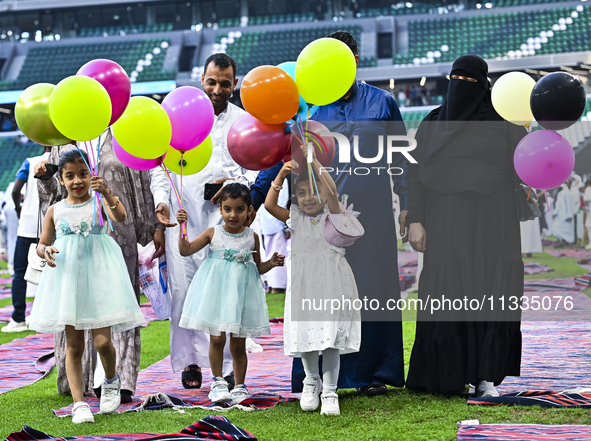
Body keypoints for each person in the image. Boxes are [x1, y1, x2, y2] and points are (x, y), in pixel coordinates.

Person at [292, 30, 409, 397]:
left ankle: (374, 372)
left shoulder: (383, 103)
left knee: (373, 287)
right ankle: (319, 377)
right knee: (323, 290)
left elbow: (401, 158)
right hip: (320, 216)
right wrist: (257, 196)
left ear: (355, 60)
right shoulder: (308, 107)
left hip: (373, 211)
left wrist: (408, 204)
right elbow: (288, 160)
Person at [405, 55, 525, 397]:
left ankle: (485, 375)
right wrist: (415, 219)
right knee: (447, 292)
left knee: (490, 290)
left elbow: (524, 166)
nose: (461, 86)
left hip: (494, 221)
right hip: (446, 221)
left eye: (469, 80)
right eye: (456, 78)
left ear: (485, 85)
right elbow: (417, 175)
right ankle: (444, 374)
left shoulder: (505, 122)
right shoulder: (431, 123)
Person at [151, 53, 258, 389]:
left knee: (225, 294)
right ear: (202, 79)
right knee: (183, 293)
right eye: (211, 82)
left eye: (225, 83)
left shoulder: (244, 121)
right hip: (184, 219)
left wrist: (235, 186)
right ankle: (189, 363)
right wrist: (161, 203)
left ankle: (225, 366)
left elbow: (253, 169)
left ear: (235, 84)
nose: (217, 89)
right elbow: (160, 167)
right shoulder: (177, 115)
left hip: (227, 223)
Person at [35, 130, 161, 402]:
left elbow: (120, 215)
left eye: (82, 174)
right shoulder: (55, 210)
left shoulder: (98, 204)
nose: (77, 181)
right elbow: (42, 243)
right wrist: (46, 251)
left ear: (90, 173)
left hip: (101, 274)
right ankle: (79, 402)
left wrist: (106, 191)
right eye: (70, 176)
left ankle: (112, 379)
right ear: (61, 179)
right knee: (74, 345)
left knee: (104, 341)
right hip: (71, 278)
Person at [266, 159, 360, 415]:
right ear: (295, 196)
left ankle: (330, 391)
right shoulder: (295, 218)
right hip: (304, 288)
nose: (309, 198)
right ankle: (311, 380)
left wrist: (314, 162)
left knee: (330, 340)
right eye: (302, 193)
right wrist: (282, 174)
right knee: (306, 336)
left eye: (314, 192)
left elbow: (331, 191)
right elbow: (269, 205)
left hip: (331, 286)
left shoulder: (334, 216)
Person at [176, 183, 283, 404]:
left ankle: (241, 385)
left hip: (241, 295)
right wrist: (182, 226)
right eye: (227, 209)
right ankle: (217, 382)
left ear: (249, 210)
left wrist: (271, 264)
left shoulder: (252, 236)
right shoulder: (212, 233)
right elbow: (185, 250)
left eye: (239, 209)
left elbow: (257, 267)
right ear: (220, 209)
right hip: (217, 293)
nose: (233, 215)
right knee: (216, 338)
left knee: (238, 343)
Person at [2, 147, 50, 333]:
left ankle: (18, 318)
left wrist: (17, 208)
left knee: (20, 272)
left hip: (28, 224)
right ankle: (44, 315)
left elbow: (16, 190)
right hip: (50, 225)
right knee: (51, 272)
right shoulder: (63, 159)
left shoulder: (30, 161)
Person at [258, 175, 289, 293]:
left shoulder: (264, 179)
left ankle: (273, 284)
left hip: (268, 223)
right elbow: (283, 202)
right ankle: (277, 285)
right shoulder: (282, 181)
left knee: (271, 252)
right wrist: (285, 227)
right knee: (278, 253)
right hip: (276, 222)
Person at [553, 177, 575, 247]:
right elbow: (558, 205)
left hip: (566, 215)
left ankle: (567, 242)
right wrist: (555, 213)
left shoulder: (566, 193)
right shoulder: (561, 193)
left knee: (566, 229)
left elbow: (568, 205)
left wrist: (569, 215)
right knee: (556, 227)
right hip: (560, 215)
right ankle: (563, 241)